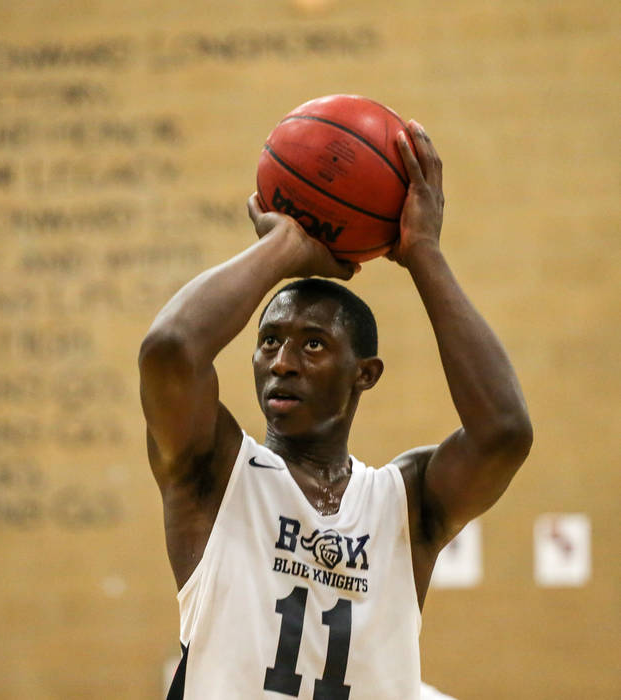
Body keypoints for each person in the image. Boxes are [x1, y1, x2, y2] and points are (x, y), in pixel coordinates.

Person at [140, 121, 532, 699]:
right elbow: (170, 350)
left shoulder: (406, 503)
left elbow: (504, 432)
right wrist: (282, 249)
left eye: (313, 344)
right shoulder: (214, 476)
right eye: (269, 341)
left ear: (365, 374)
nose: (283, 361)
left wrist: (422, 252)